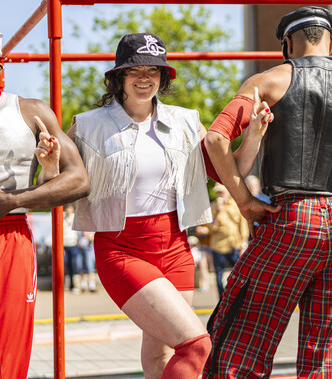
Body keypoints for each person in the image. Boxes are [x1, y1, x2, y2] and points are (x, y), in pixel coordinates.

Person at [45, 32, 272, 379]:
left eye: (154, 71)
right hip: (122, 249)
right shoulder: (89, 125)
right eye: (135, 70)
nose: (145, 78)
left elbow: (230, 172)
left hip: (176, 246)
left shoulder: (184, 121)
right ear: (119, 76)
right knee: (196, 345)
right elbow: (58, 184)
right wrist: (49, 165)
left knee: (161, 354)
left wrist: (253, 133)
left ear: (163, 78)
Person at [202, 6, 332, 378]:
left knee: (243, 335)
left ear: (287, 44)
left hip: (294, 216)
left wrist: (242, 198)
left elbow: (215, 138)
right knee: (324, 348)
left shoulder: (271, 80)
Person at [0, 27, 90, 379]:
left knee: (3, 362)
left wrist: (11, 200)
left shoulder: (30, 111)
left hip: (8, 240)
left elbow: (78, 180)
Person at [206, 184, 249, 298]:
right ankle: (222, 298)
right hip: (219, 246)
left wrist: (243, 245)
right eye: (218, 193)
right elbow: (211, 229)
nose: (219, 195)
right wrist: (217, 213)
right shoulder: (212, 207)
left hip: (234, 245)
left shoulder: (235, 206)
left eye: (222, 192)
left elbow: (243, 226)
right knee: (219, 274)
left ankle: (238, 297)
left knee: (239, 273)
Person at [63, 203, 81, 293]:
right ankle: (67, 285)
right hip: (65, 244)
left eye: (69, 208)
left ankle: (75, 285)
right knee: (65, 265)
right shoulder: (63, 219)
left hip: (73, 243)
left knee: (74, 265)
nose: (68, 210)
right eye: (66, 209)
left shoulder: (75, 218)